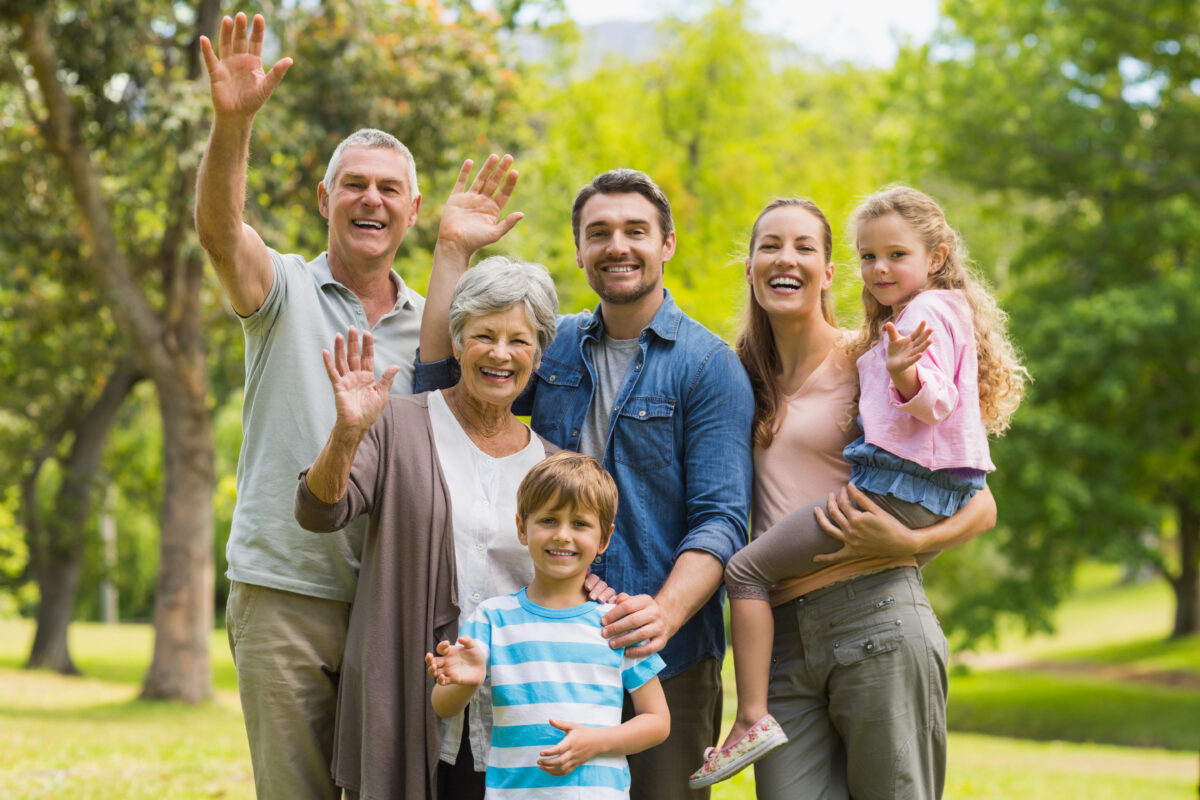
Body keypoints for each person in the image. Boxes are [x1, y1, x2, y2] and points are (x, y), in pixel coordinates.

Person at [195, 13, 522, 797]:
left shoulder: (431, 321)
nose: (369, 200)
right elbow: (217, 231)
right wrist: (233, 126)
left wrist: (456, 250)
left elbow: (451, 384)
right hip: (288, 591)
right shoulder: (283, 290)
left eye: (388, 189)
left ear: (410, 211)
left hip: (395, 596)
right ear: (324, 199)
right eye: (354, 185)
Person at [417, 167, 754, 799]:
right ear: (579, 251)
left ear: (668, 243)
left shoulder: (710, 367)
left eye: (636, 231)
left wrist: (665, 612)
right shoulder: (553, 345)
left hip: (665, 655)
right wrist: (453, 254)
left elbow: (722, 519)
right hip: (549, 646)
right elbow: (442, 385)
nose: (617, 246)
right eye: (599, 233)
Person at [690, 196, 1015, 797]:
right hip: (779, 639)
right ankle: (751, 716)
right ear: (750, 266)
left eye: (805, 247)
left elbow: (980, 504)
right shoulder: (732, 377)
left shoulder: (871, 360)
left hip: (876, 617)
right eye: (770, 245)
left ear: (829, 272)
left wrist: (911, 540)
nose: (786, 259)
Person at [293, 256, 561, 799]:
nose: (501, 354)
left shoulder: (551, 465)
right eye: (483, 335)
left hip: (516, 719)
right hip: (410, 699)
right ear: (457, 342)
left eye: (520, 340)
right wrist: (347, 433)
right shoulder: (398, 423)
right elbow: (318, 512)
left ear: (539, 352)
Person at [426, 451, 671, 798]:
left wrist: (596, 741)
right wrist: (467, 681)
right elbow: (442, 705)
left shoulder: (616, 623)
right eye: (549, 520)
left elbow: (658, 721)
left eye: (580, 524)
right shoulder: (492, 619)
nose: (562, 535)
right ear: (522, 528)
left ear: (604, 538)